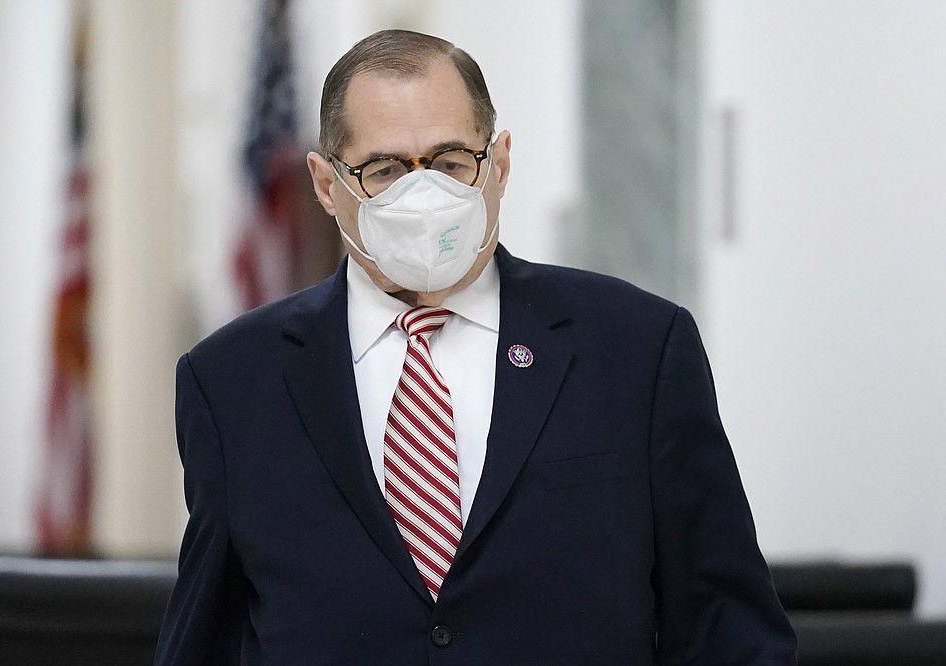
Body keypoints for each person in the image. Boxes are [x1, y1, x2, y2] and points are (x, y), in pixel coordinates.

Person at [156, 29, 796, 664]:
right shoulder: (233, 384)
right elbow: (204, 640)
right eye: (383, 171)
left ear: (501, 163)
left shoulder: (637, 350)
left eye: (451, 162)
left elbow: (729, 630)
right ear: (326, 186)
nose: (424, 194)